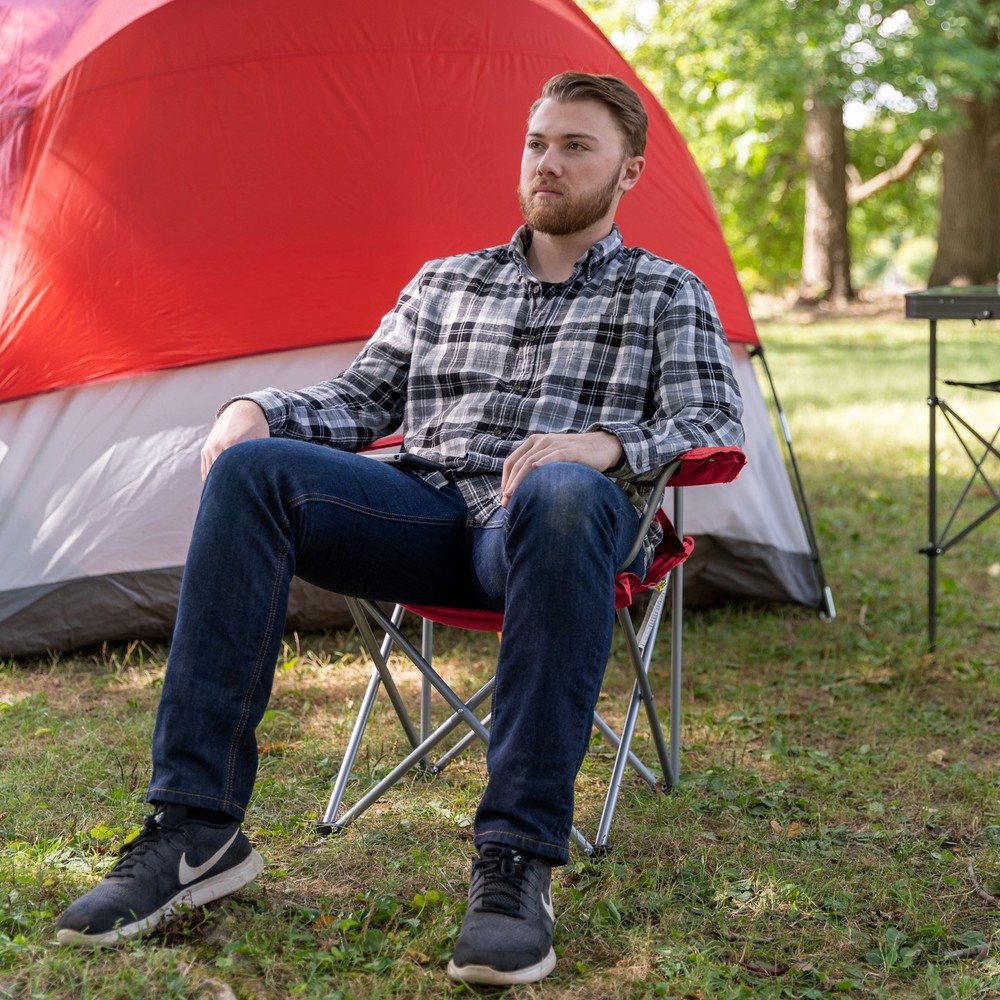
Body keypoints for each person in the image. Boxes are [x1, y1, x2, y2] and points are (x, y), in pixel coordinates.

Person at [56, 71, 744, 985]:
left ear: (628, 173)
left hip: (554, 533)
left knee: (566, 493)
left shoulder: (667, 292)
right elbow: (358, 399)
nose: (548, 161)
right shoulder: (446, 282)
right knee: (257, 471)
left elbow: (713, 424)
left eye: (577, 146)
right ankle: (195, 830)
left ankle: (515, 864)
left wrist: (604, 445)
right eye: (538, 142)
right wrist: (255, 407)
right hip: (425, 517)